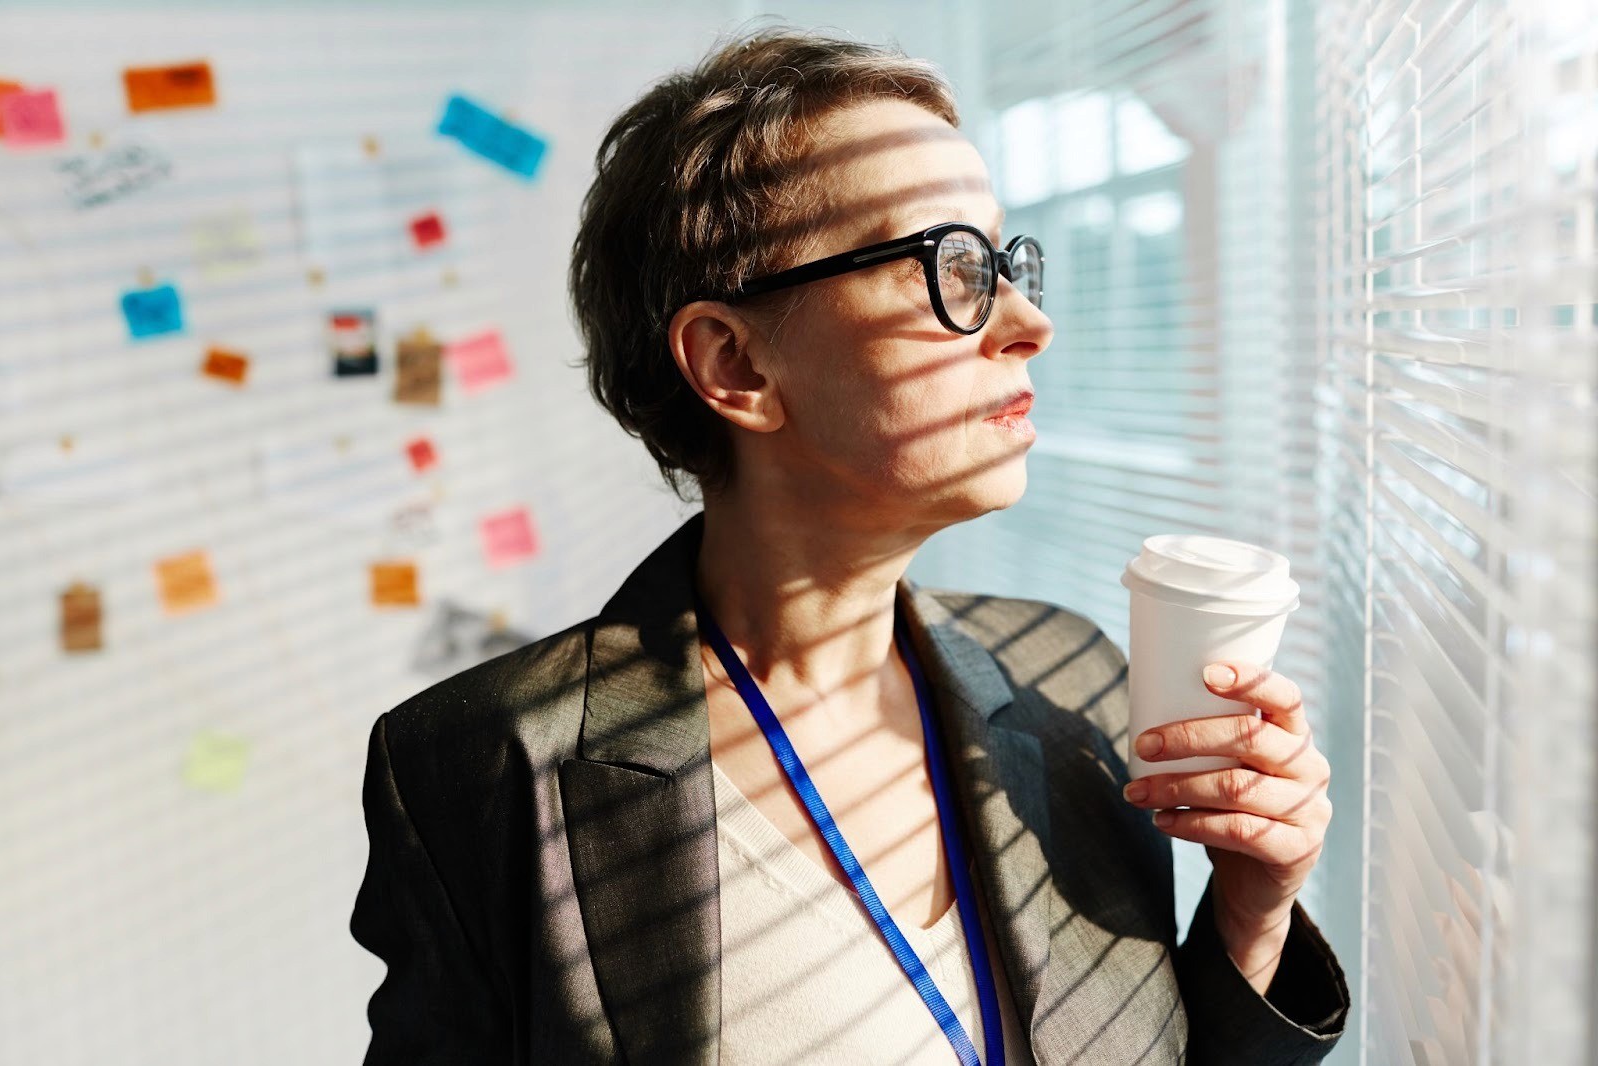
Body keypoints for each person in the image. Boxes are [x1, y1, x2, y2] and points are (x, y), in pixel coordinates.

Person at [350, 24, 1350, 1065]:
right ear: (735, 364)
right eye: (948, 266)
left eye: (1004, 260)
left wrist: (1252, 912)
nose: (1026, 322)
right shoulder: (489, 772)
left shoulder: (1074, 686)